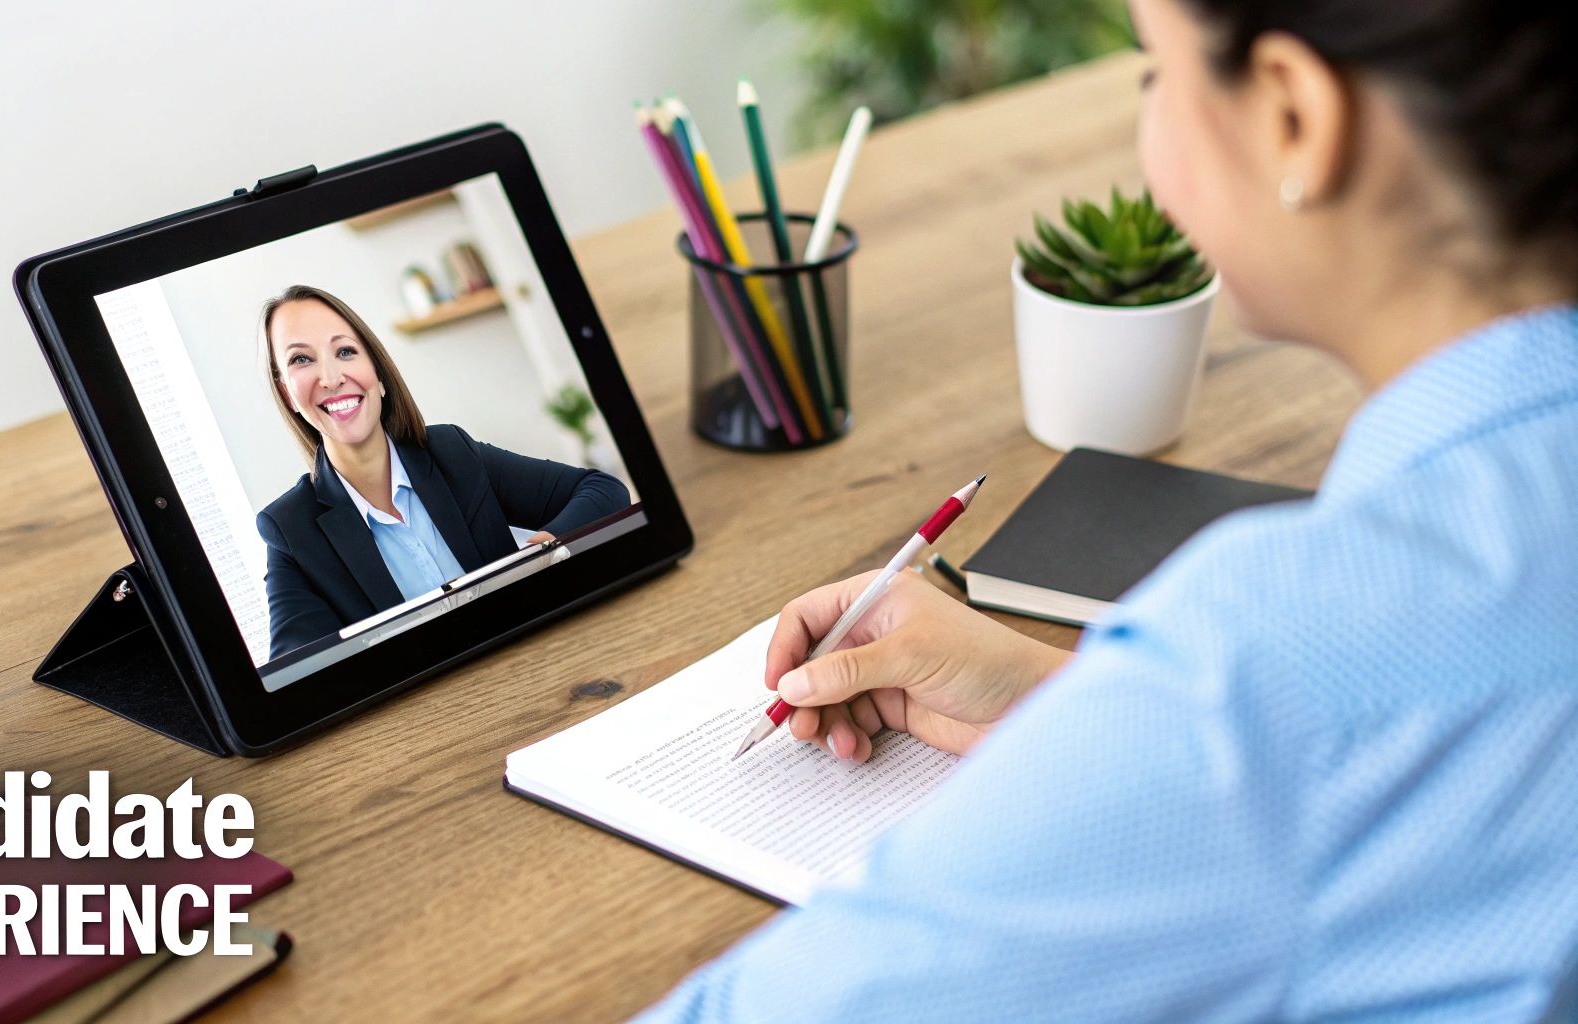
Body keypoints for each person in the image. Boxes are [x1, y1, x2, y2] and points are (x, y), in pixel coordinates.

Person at [642, 0, 1578, 1019]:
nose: (1148, 114)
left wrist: (1171, 718)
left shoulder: (1278, 658)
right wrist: (1078, 713)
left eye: (1152, 73)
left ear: (1292, 118)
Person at [255, 285, 630, 660]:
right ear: (288, 395)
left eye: (345, 351)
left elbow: (603, 492)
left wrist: (536, 558)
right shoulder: (289, 529)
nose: (331, 376)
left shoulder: (453, 453)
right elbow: (298, 672)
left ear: (379, 376)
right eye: (301, 360)